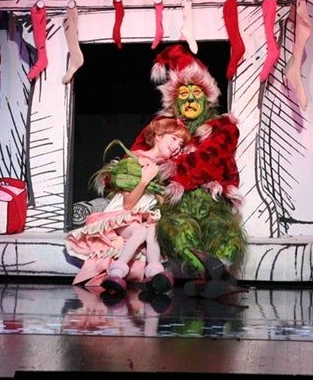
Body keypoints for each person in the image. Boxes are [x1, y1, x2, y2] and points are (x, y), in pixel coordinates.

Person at [131, 44, 247, 297]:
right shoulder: (163, 126)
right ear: (175, 101)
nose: (191, 99)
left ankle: (213, 276)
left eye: (196, 93)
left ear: (207, 98)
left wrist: (172, 167)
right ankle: (212, 279)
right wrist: (121, 172)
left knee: (226, 233)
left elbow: (209, 159)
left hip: (212, 200)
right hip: (176, 203)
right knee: (176, 230)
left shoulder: (224, 127)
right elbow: (138, 151)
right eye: (184, 94)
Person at [66, 116, 190, 295]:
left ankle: (155, 273)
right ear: (158, 136)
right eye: (173, 138)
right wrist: (145, 180)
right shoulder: (135, 160)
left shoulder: (166, 169)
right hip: (121, 216)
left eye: (180, 143)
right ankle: (117, 271)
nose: (177, 145)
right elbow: (128, 204)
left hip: (144, 217)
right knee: (140, 231)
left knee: (153, 228)